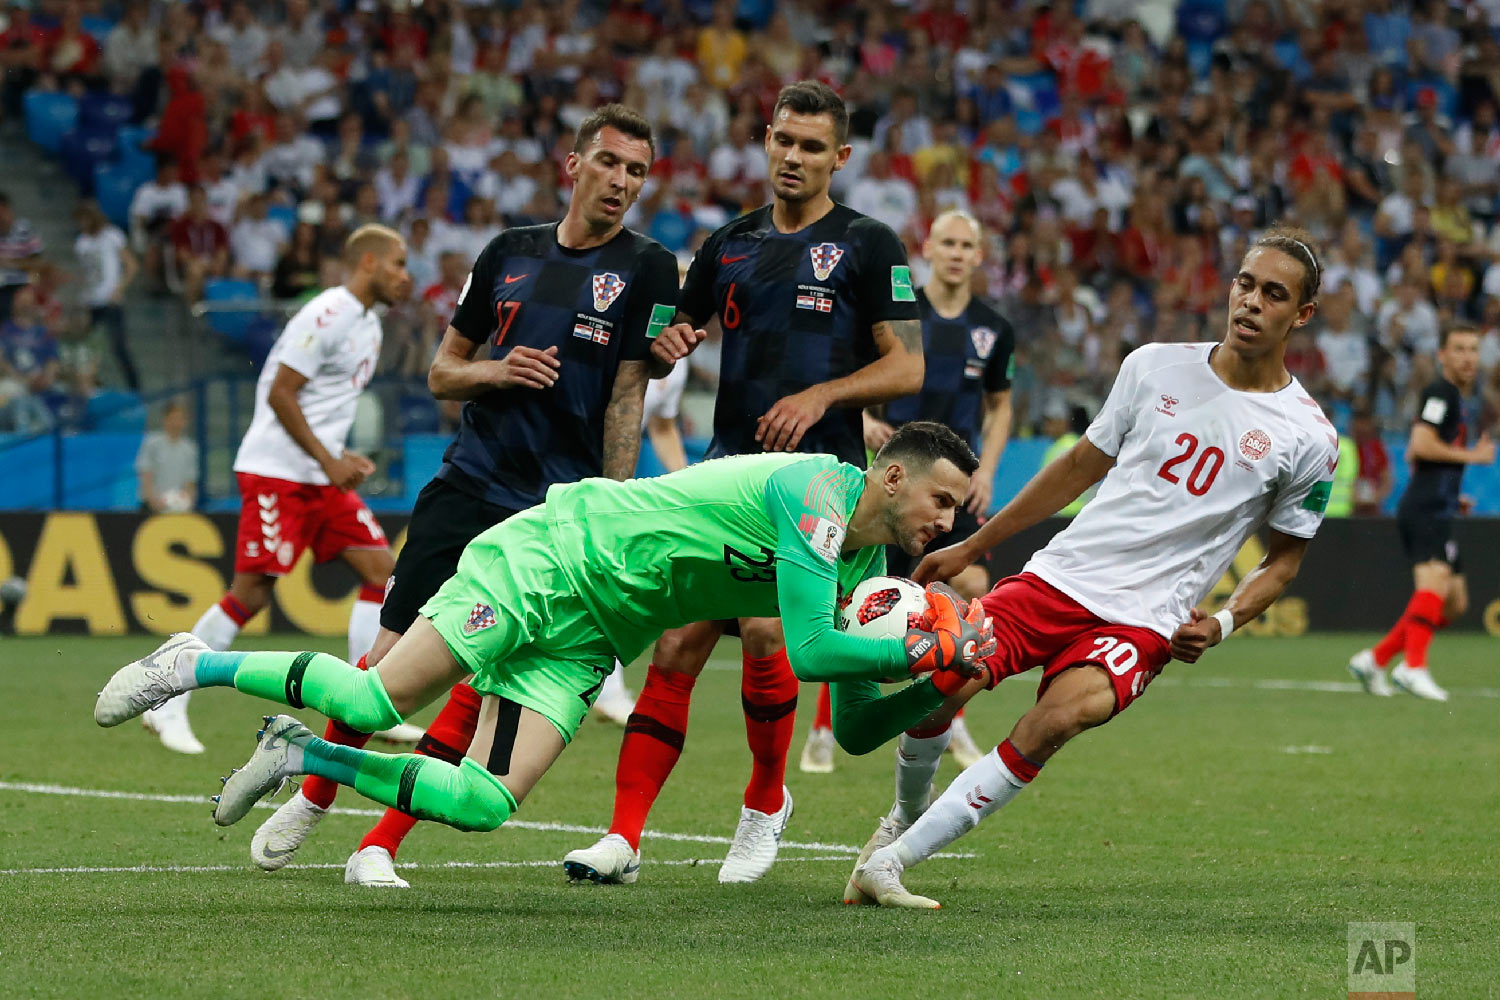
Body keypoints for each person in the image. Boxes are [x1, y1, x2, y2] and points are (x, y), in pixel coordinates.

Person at [94, 426, 995, 858]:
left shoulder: (861, 562)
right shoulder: (817, 497)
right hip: (555, 558)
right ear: (892, 475)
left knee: (485, 802)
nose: (947, 522)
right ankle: (189, 662)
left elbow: (867, 725)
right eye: (943, 501)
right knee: (376, 697)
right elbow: (807, 653)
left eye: (959, 511)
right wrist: (926, 650)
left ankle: (299, 753)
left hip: (594, 630)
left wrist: (949, 682)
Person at [839, 229, 1343, 909]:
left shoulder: (1307, 436)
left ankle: (892, 863)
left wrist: (1222, 623)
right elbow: (1078, 468)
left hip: (1146, 620)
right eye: (1245, 283)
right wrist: (970, 545)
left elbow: (1284, 560)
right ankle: (903, 813)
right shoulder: (1155, 366)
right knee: (948, 677)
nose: (1251, 302)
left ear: (1301, 315)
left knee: (1055, 722)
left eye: (1274, 294)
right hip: (1061, 579)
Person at [246, 105, 682, 888]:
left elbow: (628, 393)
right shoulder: (507, 254)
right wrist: (500, 370)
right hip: (470, 482)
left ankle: (377, 846)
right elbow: (443, 371)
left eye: (637, 171)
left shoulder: (649, 267)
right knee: (384, 664)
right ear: (572, 165)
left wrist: (610, 507)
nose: (622, 181)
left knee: (486, 685)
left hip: (554, 511)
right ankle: (312, 795)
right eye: (610, 163)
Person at [563, 80, 924, 887]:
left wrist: (820, 397)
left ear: (841, 156)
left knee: (766, 635)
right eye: (782, 141)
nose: (792, 158)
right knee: (679, 640)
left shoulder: (868, 245)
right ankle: (623, 837)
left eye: (811, 147)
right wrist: (671, 343)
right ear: (765, 140)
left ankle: (765, 805)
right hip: (728, 474)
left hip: (820, 489)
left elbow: (909, 363)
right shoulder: (728, 244)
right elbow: (672, 336)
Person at [144, 225, 411, 757]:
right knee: (252, 593)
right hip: (277, 472)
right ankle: (165, 700)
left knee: (382, 572)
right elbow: (280, 393)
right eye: (398, 264)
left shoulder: (369, 324)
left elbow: (322, 404)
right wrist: (328, 457)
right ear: (368, 263)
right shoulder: (326, 313)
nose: (406, 277)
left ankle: (362, 705)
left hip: (319, 475)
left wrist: (336, 457)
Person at [801, 209, 1015, 774]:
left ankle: (953, 713)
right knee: (859, 599)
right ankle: (823, 728)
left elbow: (1000, 407)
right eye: (946, 241)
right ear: (928, 246)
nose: (955, 252)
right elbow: (865, 370)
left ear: (978, 255)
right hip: (893, 488)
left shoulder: (994, 328)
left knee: (969, 582)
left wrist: (987, 469)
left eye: (966, 244)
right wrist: (867, 417)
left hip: (951, 491)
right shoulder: (900, 315)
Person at [1347, 327, 1494, 701]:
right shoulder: (1440, 393)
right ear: (1442, 355)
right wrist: (1472, 457)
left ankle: (1375, 659)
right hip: (1425, 508)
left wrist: (1452, 491)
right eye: (1459, 349)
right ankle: (1414, 665)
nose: (1467, 357)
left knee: (1455, 601)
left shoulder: (1458, 399)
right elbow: (1420, 444)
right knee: (1434, 586)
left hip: (1439, 503)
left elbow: (1417, 456)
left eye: (1473, 350)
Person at [73, 201, 139, 390]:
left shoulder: (111, 236)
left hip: (110, 301)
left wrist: (119, 289)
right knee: (87, 350)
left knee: (118, 346)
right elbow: (87, 274)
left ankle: (134, 387)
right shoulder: (81, 242)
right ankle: (91, 387)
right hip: (90, 301)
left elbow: (132, 265)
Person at [136, 400, 198, 512]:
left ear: (185, 422)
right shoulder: (152, 444)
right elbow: (146, 476)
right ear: (165, 419)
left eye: (180, 419)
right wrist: (154, 502)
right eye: (173, 418)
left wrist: (187, 502)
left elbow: (190, 482)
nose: (176, 423)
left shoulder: (189, 448)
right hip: (151, 507)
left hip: (177, 508)